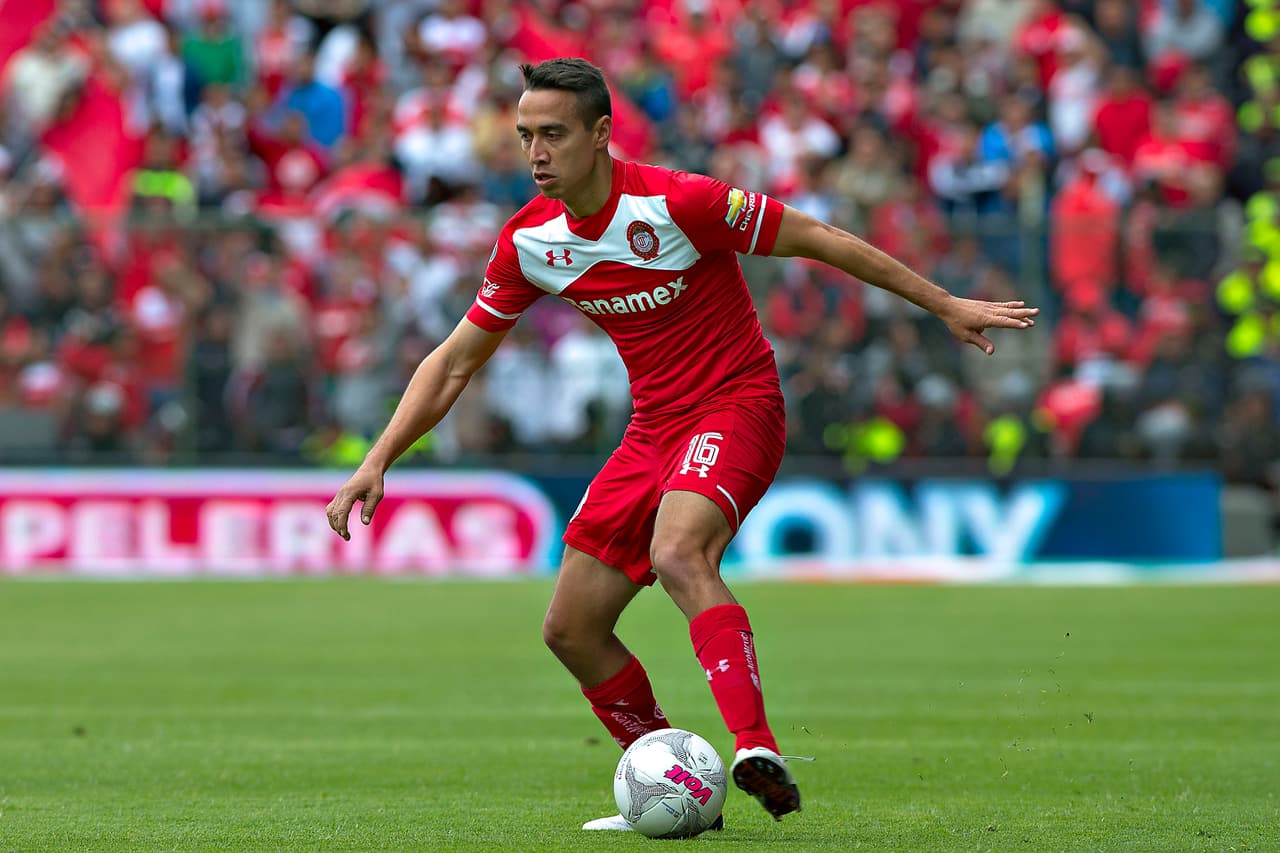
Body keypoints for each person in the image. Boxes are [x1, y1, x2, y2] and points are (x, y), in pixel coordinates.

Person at [325, 58, 1038, 831]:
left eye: (553, 134)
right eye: (526, 135)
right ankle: (676, 785)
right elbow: (455, 361)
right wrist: (378, 457)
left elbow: (820, 237)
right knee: (571, 628)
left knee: (677, 552)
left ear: (601, 133)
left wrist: (944, 303)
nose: (535, 152)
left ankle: (757, 746)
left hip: (737, 404)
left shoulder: (680, 202)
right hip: (652, 429)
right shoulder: (531, 241)